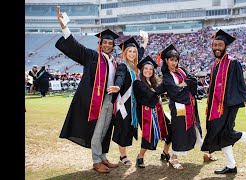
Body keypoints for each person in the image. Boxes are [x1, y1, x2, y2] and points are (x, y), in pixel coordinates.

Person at [55, 5, 119, 173]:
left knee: (106, 129)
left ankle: (103, 156)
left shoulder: (114, 62)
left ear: (113, 46)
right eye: (104, 42)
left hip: (110, 101)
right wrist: (64, 26)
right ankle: (96, 161)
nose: (106, 45)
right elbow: (76, 48)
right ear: (100, 43)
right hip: (95, 100)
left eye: (109, 43)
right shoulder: (92, 57)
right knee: (97, 130)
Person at [200, 29, 246, 174]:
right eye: (215, 45)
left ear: (225, 46)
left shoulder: (233, 63)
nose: (217, 48)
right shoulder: (214, 64)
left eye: (220, 45)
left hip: (229, 105)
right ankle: (231, 166)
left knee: (226, 133)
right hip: (215, 106)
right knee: (222, 135)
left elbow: (240, 83)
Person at [159, 44, 216, 170]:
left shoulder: (182, 70)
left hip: (190, 105)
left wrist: (181, 85)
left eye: (176, 60)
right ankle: (174, 158)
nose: (174, 63)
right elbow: (175, 92)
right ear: (166, 61)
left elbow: (192, 80)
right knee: (179, 132)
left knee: (195, 128)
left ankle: (207, 152)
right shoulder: (167, 76)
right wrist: (184, 86)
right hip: (179, 108)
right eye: (171, 60)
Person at [133, 55, 172, 168]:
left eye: (151, 69)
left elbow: (155, 95)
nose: (148, 71)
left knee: (170, 130)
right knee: (148, 135)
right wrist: (162, 87)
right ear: (142, 70)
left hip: (159, 112)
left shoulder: (155, 83)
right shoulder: (138, 83)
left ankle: (165, 153)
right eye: (146, 68)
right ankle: (140, 157)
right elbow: (149, 96)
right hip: (146, 114)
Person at [107, 37, 141, 166]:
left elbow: (141, 52)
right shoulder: (123, 65)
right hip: (124, 104)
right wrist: (118, 86)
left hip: (133, 104)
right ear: (125, 53)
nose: (132, 54)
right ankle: (123, 156)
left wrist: (144, 42)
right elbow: (120, 76)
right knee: (123, 129)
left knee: (128, 129)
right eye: (129, 51)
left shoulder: (135, 67)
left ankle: (124, 154)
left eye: (134, 52)